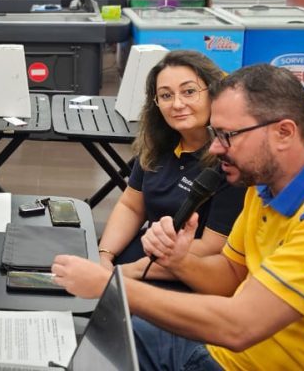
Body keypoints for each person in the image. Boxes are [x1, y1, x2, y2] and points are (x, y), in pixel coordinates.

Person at [53, 64, 304, 371]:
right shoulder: (267, 185)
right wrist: (179, 261)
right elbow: (231, 277)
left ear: (284, 132)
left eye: (228, 135)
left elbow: (239, 325)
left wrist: (111, 286)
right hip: (228, 356)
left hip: (242, 354)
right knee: (92, 341)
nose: (214, 147)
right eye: (216, 133)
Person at [63, 51, 243, 286]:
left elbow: (213, 247)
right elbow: (131, 206)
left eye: (189, 91)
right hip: (142, 257)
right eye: (166, 95)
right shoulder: (159, 145)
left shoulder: (232, 160)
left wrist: (128, 272)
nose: (177, 104)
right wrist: (104, 256)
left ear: (213, 92)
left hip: (186, 273)